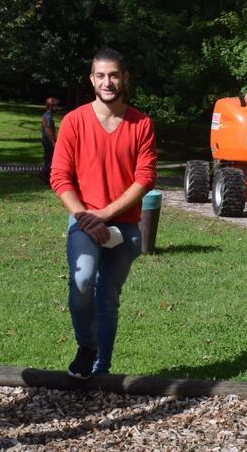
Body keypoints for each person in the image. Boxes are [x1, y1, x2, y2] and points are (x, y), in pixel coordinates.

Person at [50, 48, 157, 379]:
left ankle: (101, 371)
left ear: (124, 78)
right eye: (100, 75)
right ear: (92, 79)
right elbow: (60, 177)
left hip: (124, 225)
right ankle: (87, 346)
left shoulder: (142, 124)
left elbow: (145, 178)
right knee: (82, 280)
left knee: (107, 297)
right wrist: (85, 217)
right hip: (84, 219)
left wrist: (105, 214)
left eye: (113, 75)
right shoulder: (74, 121)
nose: (107, 82)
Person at [40, 96, 60, 182]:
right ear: (50, 106)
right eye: (54, 106)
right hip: (48, 141)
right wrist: (53, 142)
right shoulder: (48, 116)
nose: (56, 107)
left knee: (48, 158)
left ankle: (46, 175)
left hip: (46, 140)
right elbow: (48, 129)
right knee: (51, 159)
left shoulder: (47, 115)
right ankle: (45, 175)